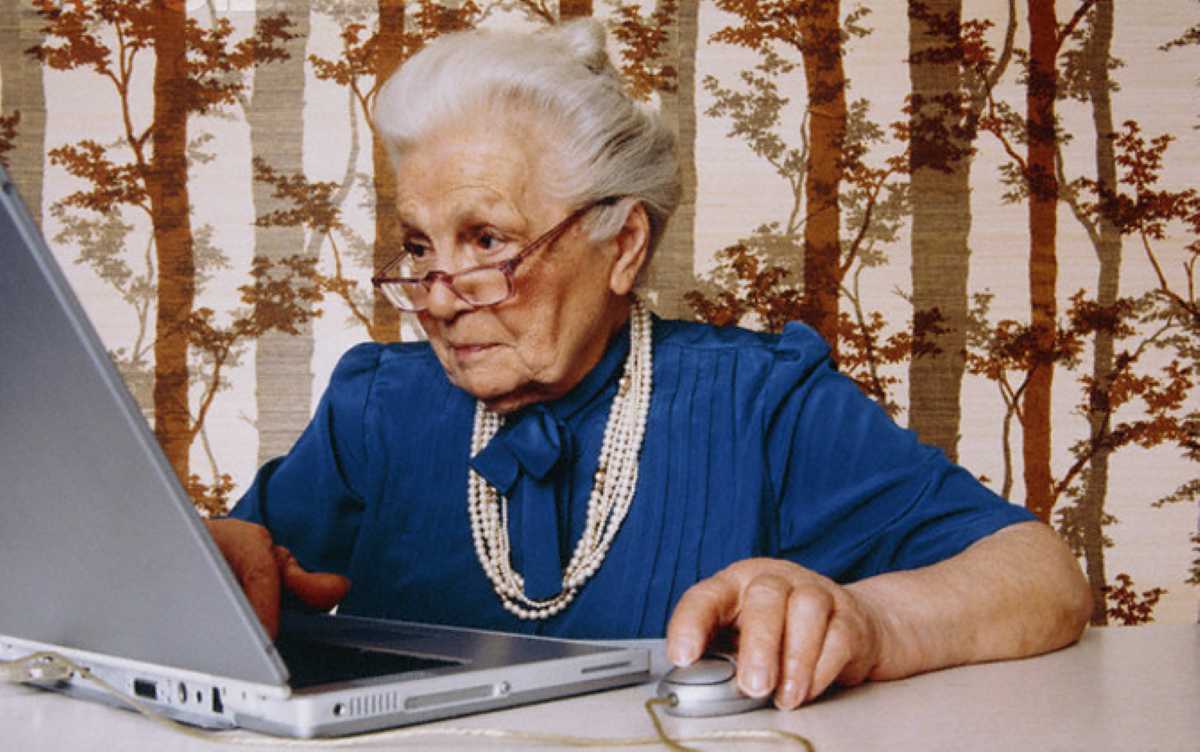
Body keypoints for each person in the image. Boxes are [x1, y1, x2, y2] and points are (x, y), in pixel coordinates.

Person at [206, 19, 1091, 711]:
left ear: (622, 243)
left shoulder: (760, 403)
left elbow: (1042, 576)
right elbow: (246, 573)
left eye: (486, 240)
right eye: (418, 248)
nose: (438, 298)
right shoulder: (377, 408)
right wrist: (210, 567)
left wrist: (870, 621)